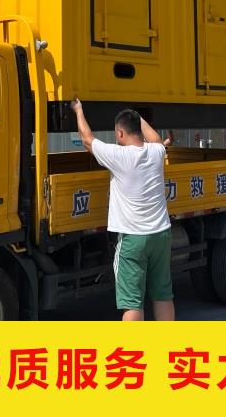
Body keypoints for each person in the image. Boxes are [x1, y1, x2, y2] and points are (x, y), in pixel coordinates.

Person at [71, 99, 175, 321]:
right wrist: (136, 115)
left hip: (133, 239)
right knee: (163, 294)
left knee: (132, 302)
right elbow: (156, 139)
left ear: (119, 133)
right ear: (139, 129)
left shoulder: (119, 156)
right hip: (161, 234)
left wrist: (78, 110)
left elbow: (87, 139)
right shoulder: (156, 152)